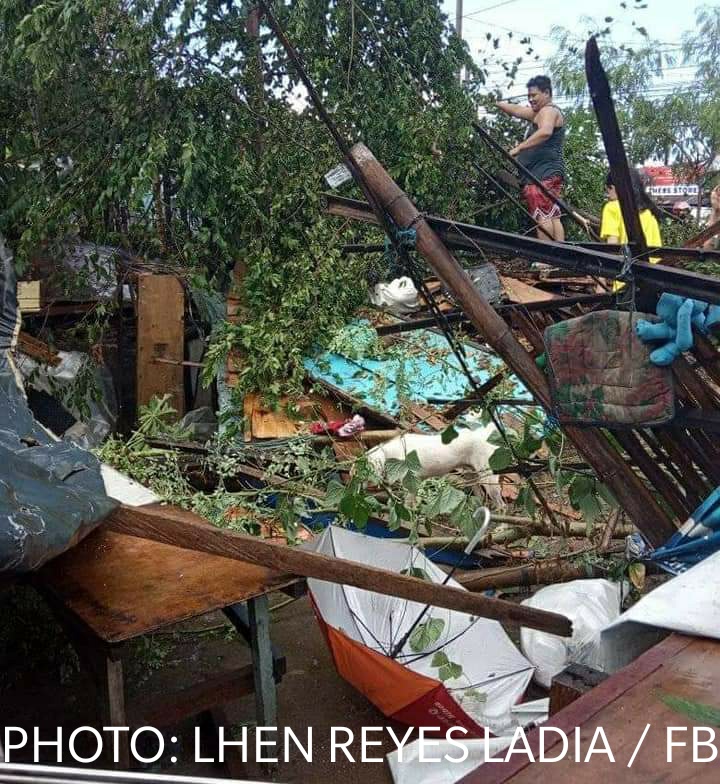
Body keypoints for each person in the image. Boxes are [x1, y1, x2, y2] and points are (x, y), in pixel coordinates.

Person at [496, 75, 566, 242]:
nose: (530, 99)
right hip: (547, 172)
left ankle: (547, 258)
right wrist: (497, 103)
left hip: (542, 174)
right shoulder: (539, 113)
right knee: (552, 214)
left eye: (534, 95)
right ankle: (561, 256)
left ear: (547, 93)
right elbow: (517, 111)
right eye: (528, 96)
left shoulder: (548, 111)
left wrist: (519, 148)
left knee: (542, 214)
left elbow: (545, 131)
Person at [601, 169, 662, 291]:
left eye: (607, 190)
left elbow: (612, 248)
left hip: (627, 282)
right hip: (656, 279)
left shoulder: (612, 208)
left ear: (613, 187)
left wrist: (601, 280)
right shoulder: (650, 212)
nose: (609, 196)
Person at [703, 185, 720, 250]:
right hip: (714, 220)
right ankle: (706, 251)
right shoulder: (714, 195)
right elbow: (717, 207)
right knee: (709, 236)